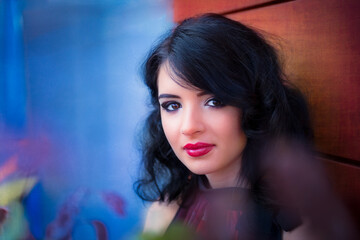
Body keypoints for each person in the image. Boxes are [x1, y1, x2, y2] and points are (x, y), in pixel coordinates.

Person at [134, 13, 357, 240]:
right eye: (172, 105)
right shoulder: (163, 211)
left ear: (254, 104)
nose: (189, 127)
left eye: (215, 101)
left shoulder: (297, 223)